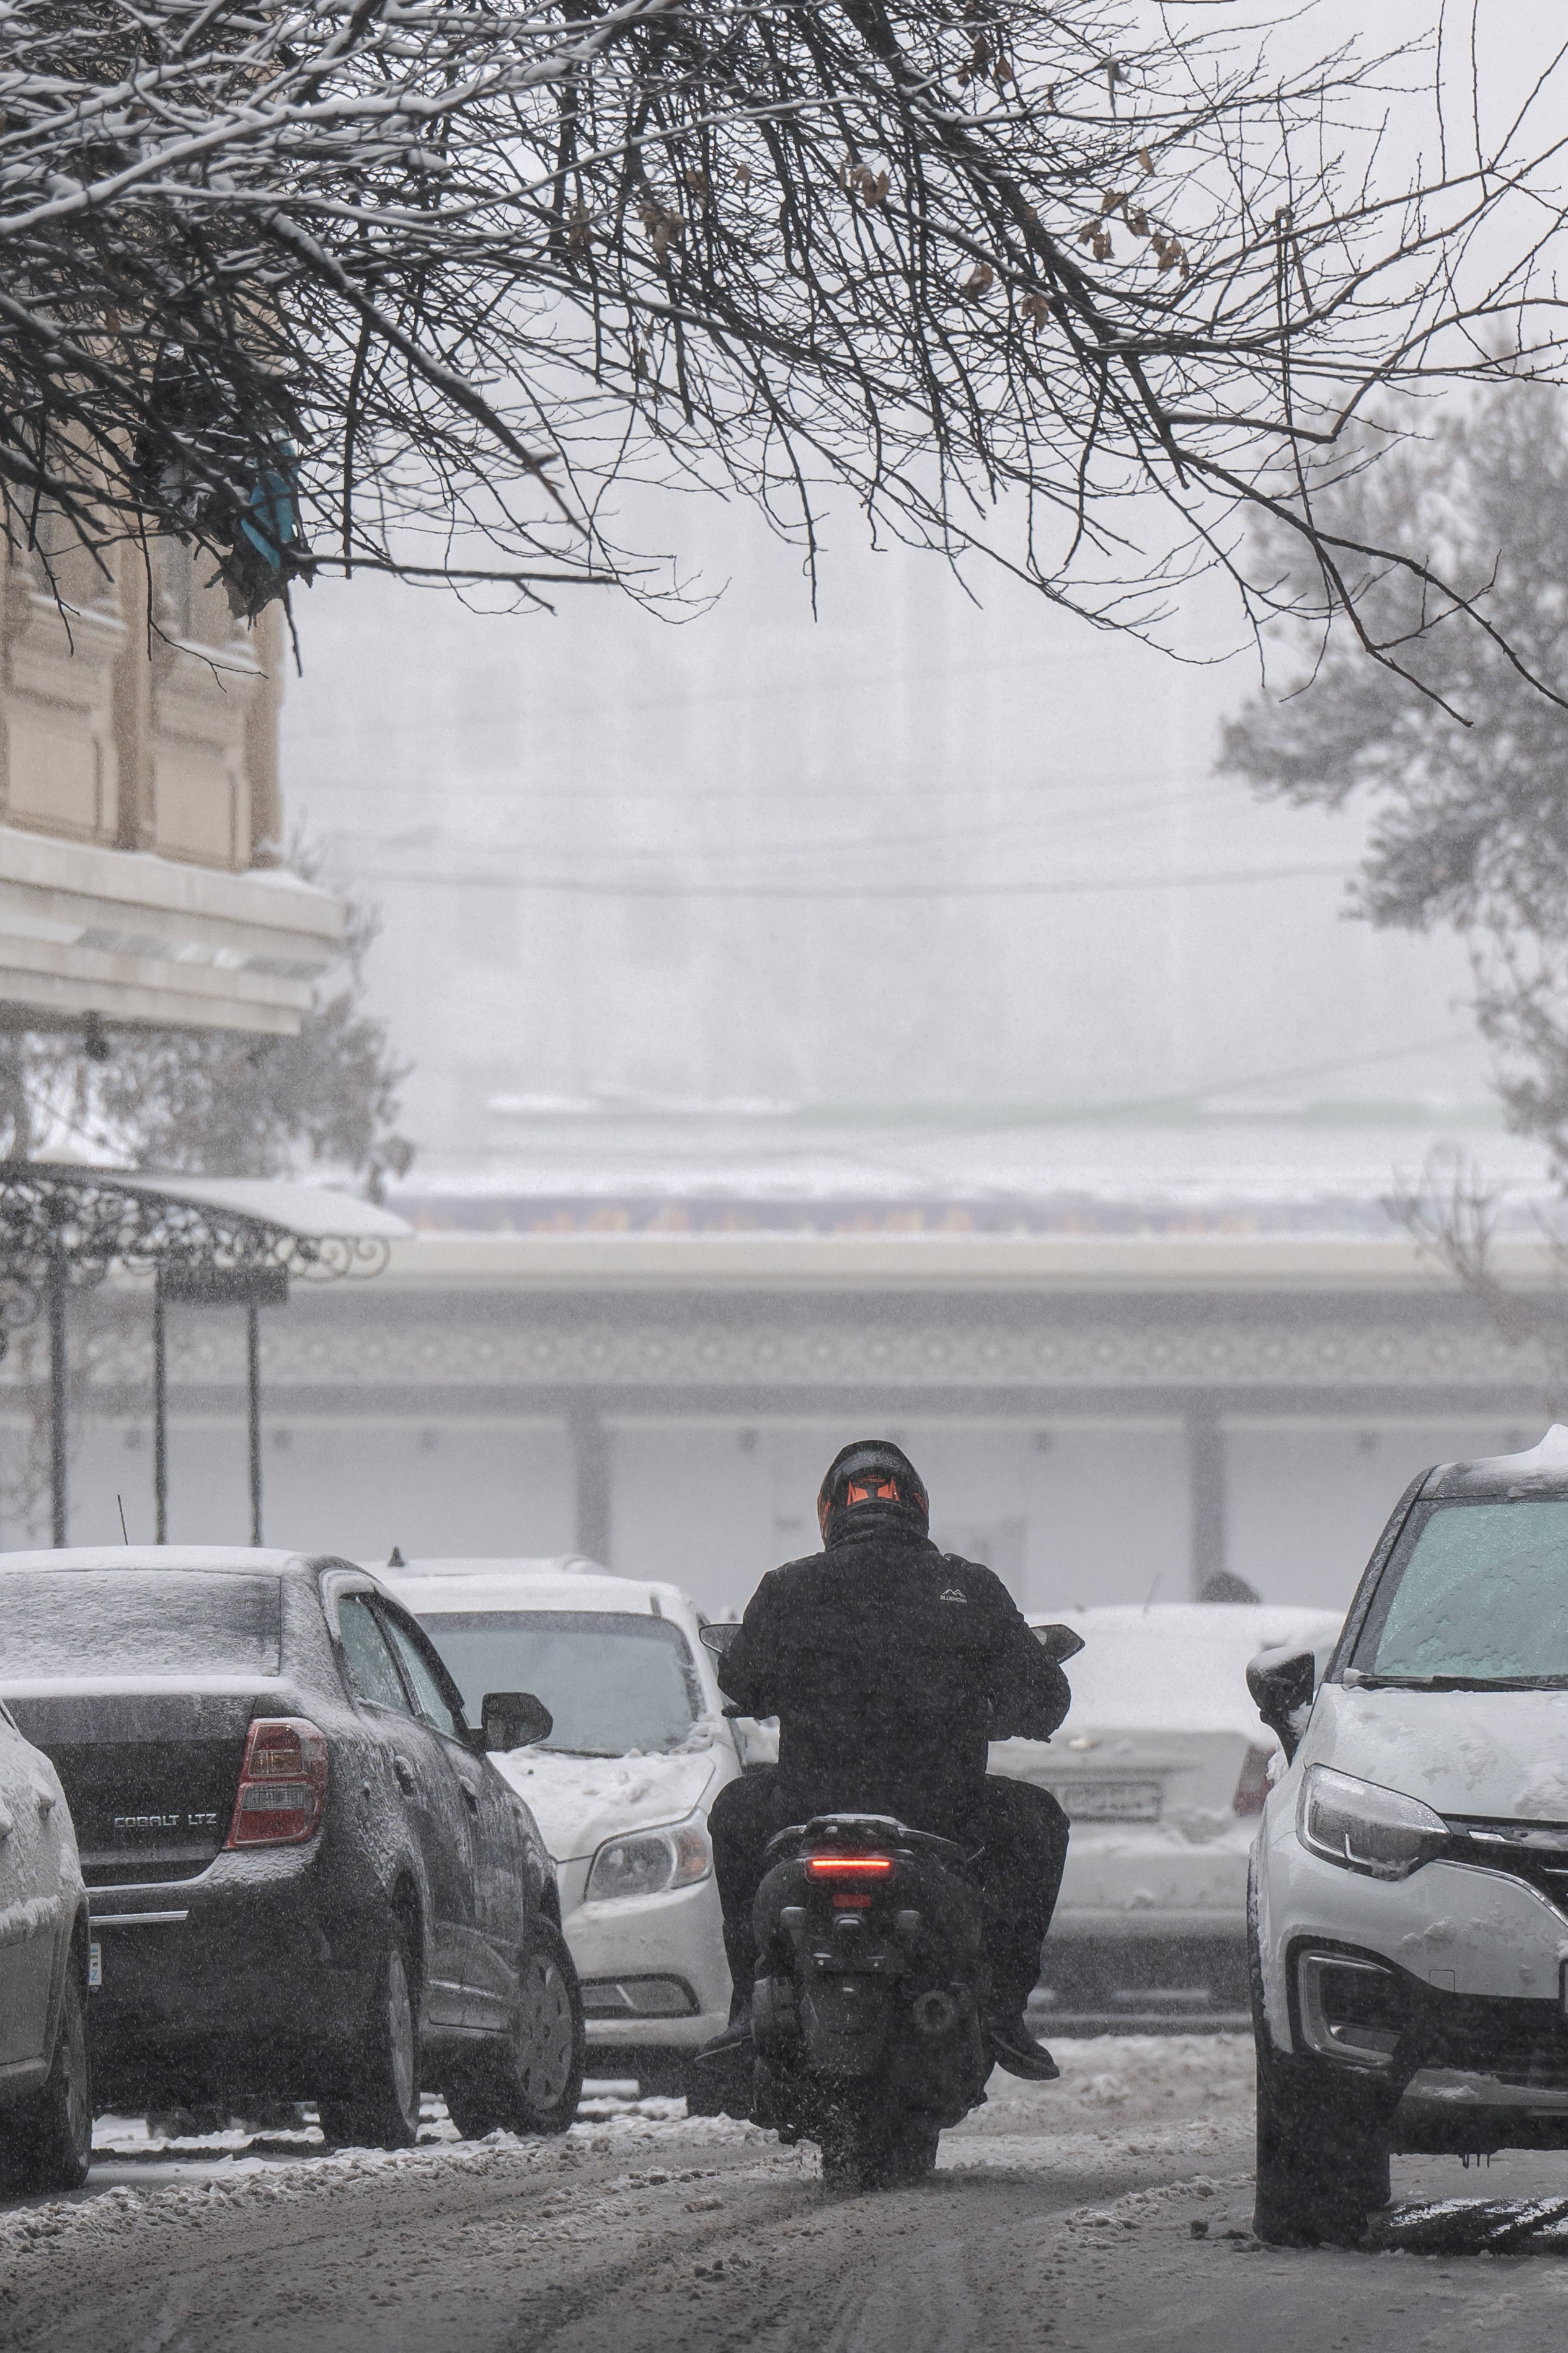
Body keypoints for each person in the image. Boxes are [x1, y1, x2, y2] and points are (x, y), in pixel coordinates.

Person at [703, 1438, 1072, 2081]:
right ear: (918, 1508)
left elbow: (741, 1681)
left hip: (808, 1808)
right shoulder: (969, 1585)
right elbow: (1045, 1697)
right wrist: (1009, 1710)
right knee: (1039, 1821)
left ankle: (745, 2006)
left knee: (733, 1812)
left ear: (829, 1512)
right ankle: (1005, 2009)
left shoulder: (788, 1586)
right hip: (944, 1815)